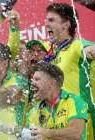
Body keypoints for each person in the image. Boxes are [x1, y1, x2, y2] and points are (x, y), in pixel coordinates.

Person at [44, 3, 95, 139]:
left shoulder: (76, 46)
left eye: (51, 20)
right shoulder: (54, 53)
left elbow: (90, 51)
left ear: (65, 25)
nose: (45, 23)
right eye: (46, 19)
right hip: (59, 122)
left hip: (81, 121)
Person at [27, 62, 88, 140]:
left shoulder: (74, 101)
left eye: (37, 79)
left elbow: (76, 133)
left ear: (52, 83)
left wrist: (46, 133)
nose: (32, 83)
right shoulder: (34, 111)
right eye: (32, 80)